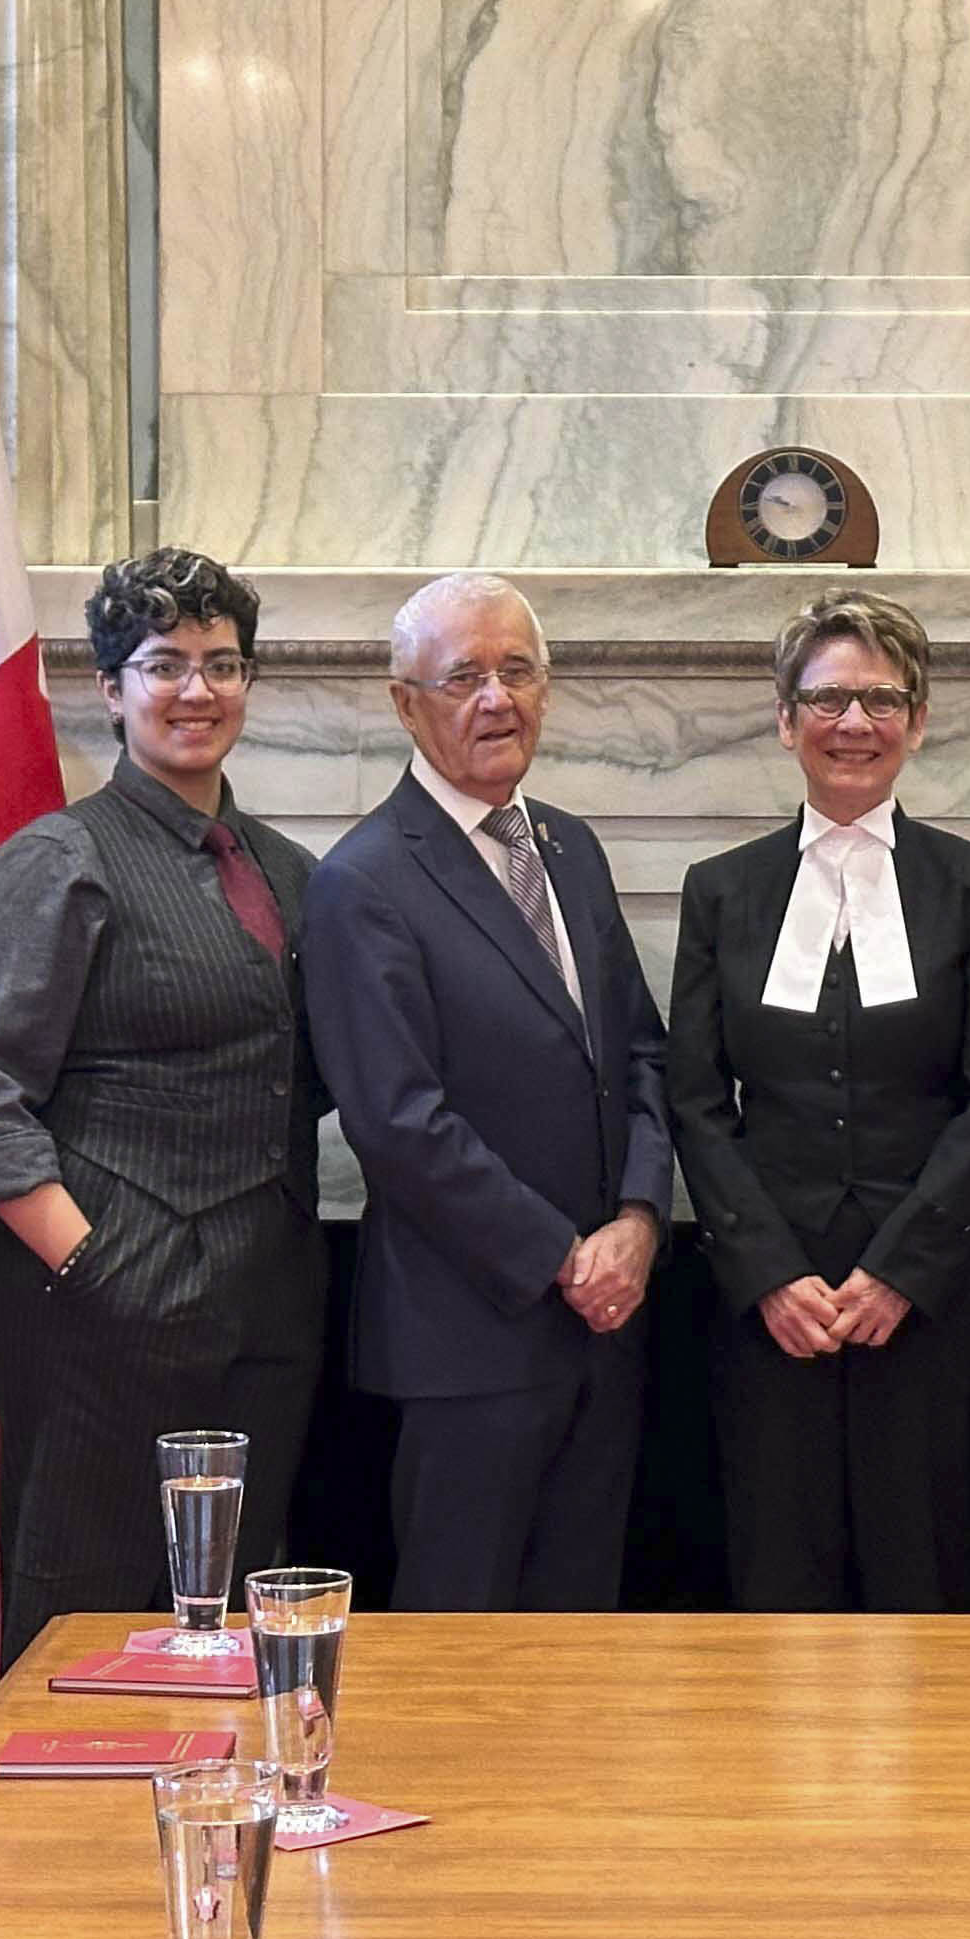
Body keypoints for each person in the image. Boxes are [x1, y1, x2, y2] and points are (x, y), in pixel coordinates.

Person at [0, 549, 329, 1665]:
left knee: (244, 1632)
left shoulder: (292, 874)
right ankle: (61, 1846)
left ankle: (232, 1834)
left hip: (267, 1308)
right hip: (98, 1314)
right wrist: (93, 1268)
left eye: (222, 664)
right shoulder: (60, 861)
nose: (196, 691)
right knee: (85, 1626)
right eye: (164, 666)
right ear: (110, 690)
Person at [301, 572, 674, 1611]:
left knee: (578, 1647)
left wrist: (640, 1222)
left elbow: (641, 1051)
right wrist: (563, 1258)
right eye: (463, 676)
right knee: (459, 1665)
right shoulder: (363, 880)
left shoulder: (570, 847)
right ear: (404, 701)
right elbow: (395, 1120)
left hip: (606, 1332)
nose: (495, 699)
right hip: (468, 1340)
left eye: (517, 671)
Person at [667, 594, 970, 1610]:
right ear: (785, 720)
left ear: (917, 720)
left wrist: (900, 1272)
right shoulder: (722, 890)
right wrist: (769, 1274)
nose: (855, 725)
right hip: (766, 1301)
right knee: (777, 1568)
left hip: (923, 1301)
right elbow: (696, 1096)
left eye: (882, 700)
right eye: (828, 699)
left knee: (923, 1567)